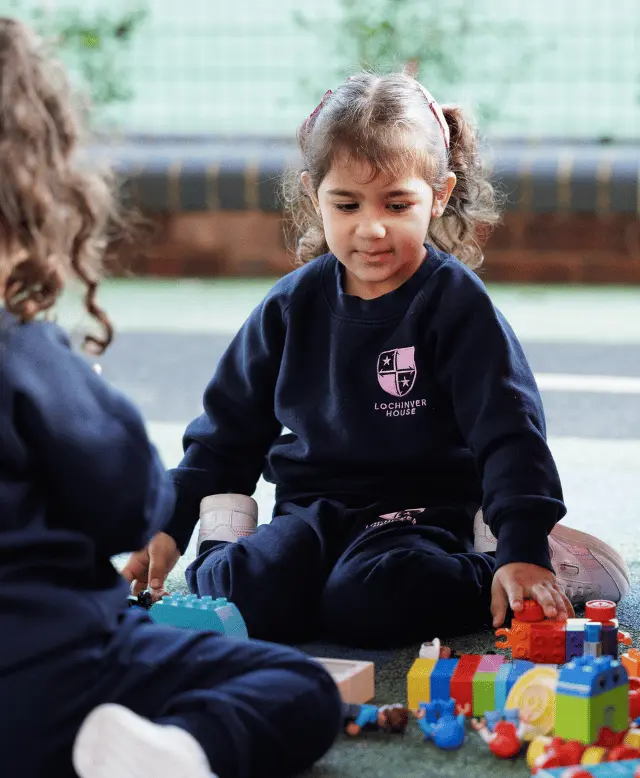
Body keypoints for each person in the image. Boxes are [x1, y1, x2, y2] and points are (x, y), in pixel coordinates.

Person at [124, 71, 629, 648]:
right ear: (315, 195)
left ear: (438, 195)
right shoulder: (291, 305)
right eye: (347, 203)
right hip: (312, 510)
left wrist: (523, 549)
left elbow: (510, 435)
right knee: (243, 595)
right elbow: (225, 433)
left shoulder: (456, 305)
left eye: (397, 202)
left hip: (420, 514)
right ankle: (234, 545)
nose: (372, 227)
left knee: (369, 604)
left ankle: (505, 564)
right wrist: (170, 522)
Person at [0, 18, 342, 778]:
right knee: (296, 686)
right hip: (51, 680)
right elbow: (128, 507)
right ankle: (177, 756)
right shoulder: (26, 356)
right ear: (35, 193)